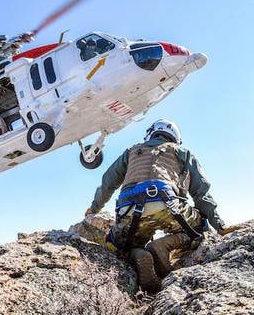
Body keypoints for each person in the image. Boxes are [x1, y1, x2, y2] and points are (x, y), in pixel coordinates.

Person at [85, 119, 232, 292]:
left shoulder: (131, 151)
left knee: (121, 245)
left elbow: (107, 183)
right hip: (168, 205)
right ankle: (163, 245)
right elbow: (201, 193)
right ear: (175, 138)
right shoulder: (182, 152)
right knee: (200, 228)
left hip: (129, 210)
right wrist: (219, 225)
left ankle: (138, 253)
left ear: (151, 133)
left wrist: (94, 209)